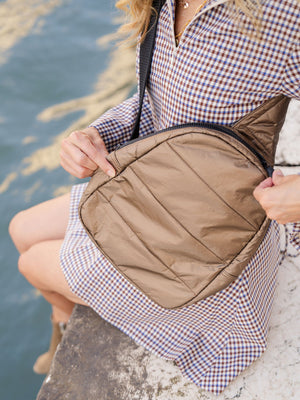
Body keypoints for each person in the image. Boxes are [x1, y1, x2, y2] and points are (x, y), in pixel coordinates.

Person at [9, 0, 300, 395]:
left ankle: (63, 322)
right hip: (156, 189)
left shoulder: (281, 15)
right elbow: (161, 106)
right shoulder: (159, 2)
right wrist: (95, 137)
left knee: (31, 263)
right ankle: (63, 317)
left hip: (206, 244)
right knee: (20, 227)